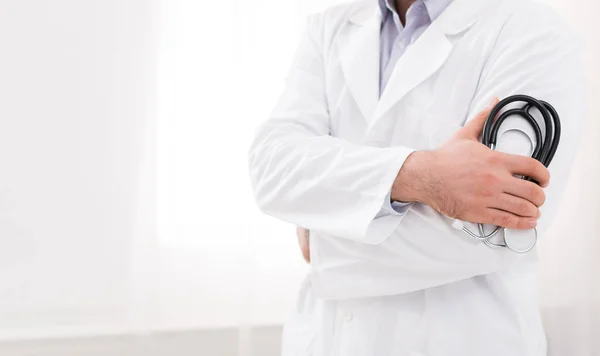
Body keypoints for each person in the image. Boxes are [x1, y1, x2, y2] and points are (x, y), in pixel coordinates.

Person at [248, 0, 586, 354]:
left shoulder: (533, 35)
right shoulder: (330, 26)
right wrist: (417, 174)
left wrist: (320, 234)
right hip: (327, 338)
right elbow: (271, 166)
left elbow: (492, 235)